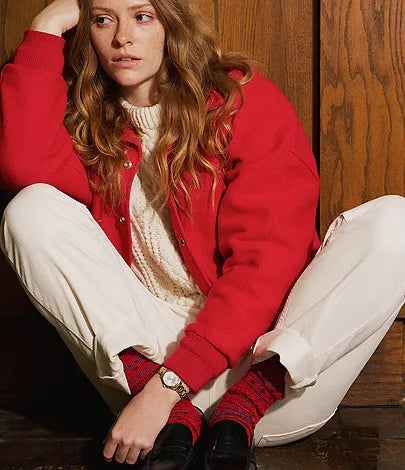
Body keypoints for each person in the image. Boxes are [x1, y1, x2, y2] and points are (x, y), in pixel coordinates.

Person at [1, 0, 405, 468]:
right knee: (29, 209)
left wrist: (171, 386)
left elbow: (264, 267)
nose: (122, 37)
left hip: (272, 380)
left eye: (142, 16)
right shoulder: (92, 126)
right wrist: (46, 26)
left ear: (171, 22)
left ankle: (242, 406)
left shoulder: (241, 102)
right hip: (149, 394)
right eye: (103, 19)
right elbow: (22, 168)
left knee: (395, 220)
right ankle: (175, 413)